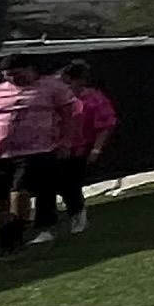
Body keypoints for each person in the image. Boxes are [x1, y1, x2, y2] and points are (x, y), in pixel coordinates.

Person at [0, 57, 73, 255]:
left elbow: (68, 116)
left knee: (19, 191)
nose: (13, 80)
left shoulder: (51, 88)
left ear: (31, 69)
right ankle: (6, 239)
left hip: (35, 151)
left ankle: (17, 232)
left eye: (17, 74)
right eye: (8, 77)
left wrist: (65, 142)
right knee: (1, 196)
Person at [48, 60, 113, 235]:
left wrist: (96, 149)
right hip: (52, 147)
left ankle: (78, 215)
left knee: (70, 184)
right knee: (51, 185)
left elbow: (105, 126)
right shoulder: (52, 99)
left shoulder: (93, 99)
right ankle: (50, 223)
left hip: (79, 149)